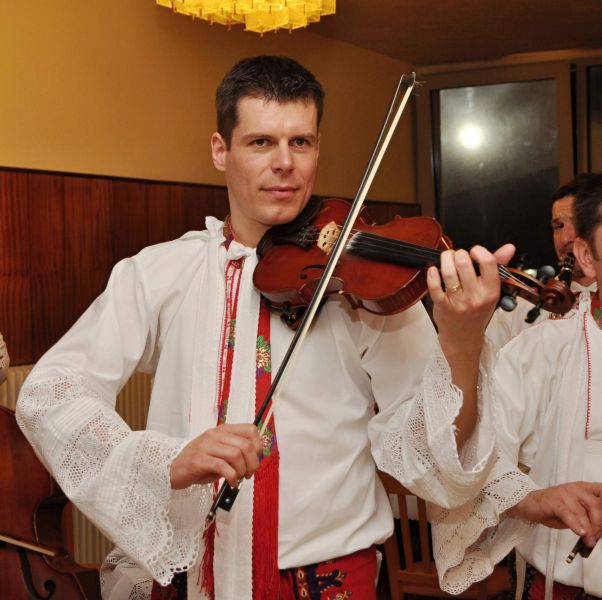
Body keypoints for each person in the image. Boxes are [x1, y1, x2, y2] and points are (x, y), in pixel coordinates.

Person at [13, 56, 601, 600]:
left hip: (327, 582)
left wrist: (462, 341)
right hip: (193, 579)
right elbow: (51, 392)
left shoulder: (366, 283)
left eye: (301, 142)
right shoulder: (159, 272)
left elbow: (436, 461)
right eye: (261, 142)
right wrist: (164, 460)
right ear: (220, 149)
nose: (285, 163)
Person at [433, 173, 602, 599]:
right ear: (587, 254)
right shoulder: (541, 344)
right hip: (561, 579)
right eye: (558, 226)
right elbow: (474, 452)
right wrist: (533, 499)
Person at [486, 174, 599, 350]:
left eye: (577, 222)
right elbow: (482, 364)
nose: (566, 238)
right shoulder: (520, 310)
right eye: (558, 226)